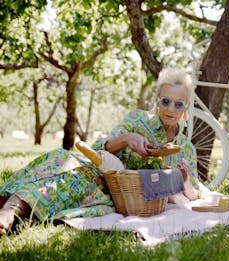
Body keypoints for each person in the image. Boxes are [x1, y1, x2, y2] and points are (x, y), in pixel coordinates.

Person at [0, 67, 199, 236]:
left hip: (115, 196)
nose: (170, 108)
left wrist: (185, 179)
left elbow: (193, 194)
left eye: (178, 104)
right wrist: (126, 139)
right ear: (157, 101)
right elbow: (97, 150)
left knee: (74, 182)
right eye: (165, 101)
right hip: (102, 174)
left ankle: (13, 209)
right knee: (63, 160)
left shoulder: (186, 149)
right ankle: (11, 207)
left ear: (186, 107)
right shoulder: (137, 119)